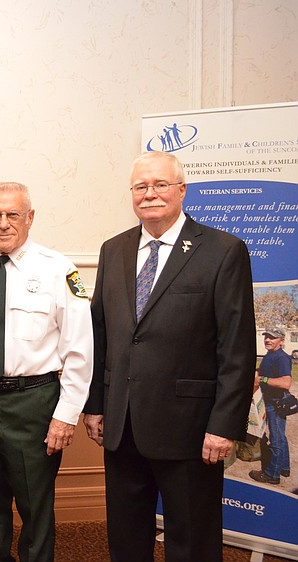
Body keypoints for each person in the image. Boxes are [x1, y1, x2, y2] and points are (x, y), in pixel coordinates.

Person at [83, 150, 256, 561]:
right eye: (141, 186)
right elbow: (100, 334)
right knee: (126, 538)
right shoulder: (114, 250)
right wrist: (95, 405)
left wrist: (224, 425)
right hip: (122, 425)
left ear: (181, 190)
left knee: (192, 540)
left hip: (192, 430)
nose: (150, 194)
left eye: (160, 185)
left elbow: (236, 347)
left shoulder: (223, 250)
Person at [0, 182, 93, 562]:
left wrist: (66, 416)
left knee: (35, 505)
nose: (3, 223)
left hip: (34, 403)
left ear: (30, 218)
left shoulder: (59, 270)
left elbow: (79, 349)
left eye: (12, 214)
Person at [249, 328, 292, 485]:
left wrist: (263, 379)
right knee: (280, 435)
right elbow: (265, 372)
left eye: (272, 338)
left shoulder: (281, 358)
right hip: (270, 401)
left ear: (281, 340)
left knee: (276, 438)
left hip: (276, 402)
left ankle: (271, 474)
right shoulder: (270, 355)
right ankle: (284, 467)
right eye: (266, 337)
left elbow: (286, 382)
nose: (267, 340)